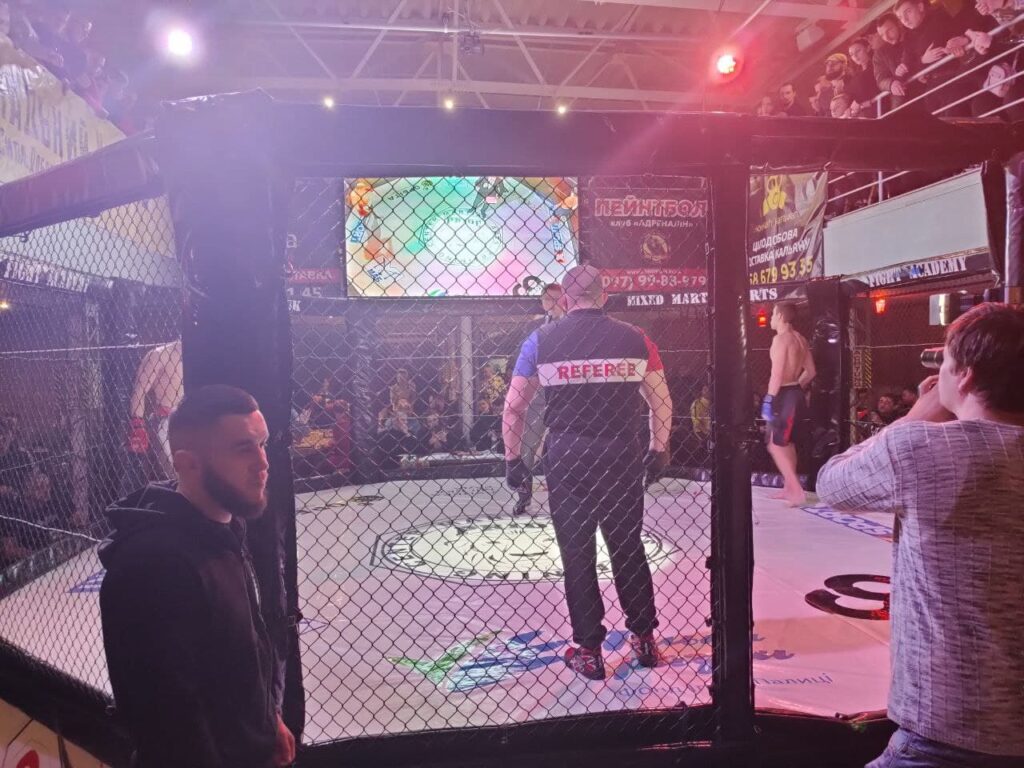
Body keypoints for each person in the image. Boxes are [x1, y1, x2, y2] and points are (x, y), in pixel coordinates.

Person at [816, 303, 1024, 768]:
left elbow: (832, 483)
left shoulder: (922, 447)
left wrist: (917, 415)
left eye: (947, 363)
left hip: (946, 731)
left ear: (965, 376)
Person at [99, 385, 295, 768]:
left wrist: (268, 720)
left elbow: (242, 646)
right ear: (188, 464)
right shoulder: (152, 567)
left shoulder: (223, 528)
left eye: (263, 444)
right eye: (243, 449)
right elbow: (168, 726)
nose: (263, 463)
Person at [502, 265, 672, 680]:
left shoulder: (541, 340)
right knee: (627, 545)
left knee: (577, 552)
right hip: (620, 453)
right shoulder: (637, 339)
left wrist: (513, 460)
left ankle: (590, 650)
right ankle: (644, 638)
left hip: (569, 455)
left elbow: (514, 406)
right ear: (604, 297)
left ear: (564, 300)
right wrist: (659, 449)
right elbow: (661, 400)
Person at [516, 282, 566, 514]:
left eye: (557, 298)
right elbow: (522, 360)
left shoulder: (575, 325)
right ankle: (524, 494)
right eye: (548, 299)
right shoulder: (534, 327)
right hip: (539, 393)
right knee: (527, 446)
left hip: (567, 394)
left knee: (566, 446)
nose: (552, 303)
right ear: (543, 302)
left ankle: (568, 494)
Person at [761, 302, 815, 506]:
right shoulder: (801, 339)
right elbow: (811, 372)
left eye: (773, 314)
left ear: (781, 317)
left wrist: (769, 398)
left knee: (775, 445)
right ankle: (788, 488)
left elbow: (776, 374)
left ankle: (797, 491)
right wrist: (796, 388)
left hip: (782, 395)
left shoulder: (780, 340)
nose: (770, 318)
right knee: (787, 443)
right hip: (794, 393)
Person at [129, 339, 183, 478]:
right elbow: (139, 391)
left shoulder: (200, 355)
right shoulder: (160, 354)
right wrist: (137, 425)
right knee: (177, 475)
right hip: (166, 422)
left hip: (195, 420)